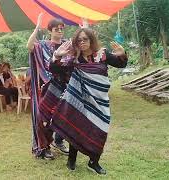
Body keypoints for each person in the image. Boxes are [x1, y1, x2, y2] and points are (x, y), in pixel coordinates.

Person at [50, 28, 128, 175]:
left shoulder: (102, 55)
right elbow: (54, 69)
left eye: (85, 39)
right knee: (76, 127)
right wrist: (56, 56)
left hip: (100, 102)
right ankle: (71, 159)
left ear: (91, 40)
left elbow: (121, 64)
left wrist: (122, 54)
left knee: (99, 130)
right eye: (79, 40)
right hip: (79, 101)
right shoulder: (73, 59)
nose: (82, 42)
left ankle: (94, 162)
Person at [27, 13, 70, 159]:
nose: (59, 31)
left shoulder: (67, 45)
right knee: (44, 117)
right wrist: (37, 27)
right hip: (46, 87)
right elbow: (29, 46)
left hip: (63, 86)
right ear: (50, 31)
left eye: (61, 28)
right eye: (56, 29)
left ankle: (58, 140)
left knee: (63, 115)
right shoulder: (42, 45)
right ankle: (44, 147)